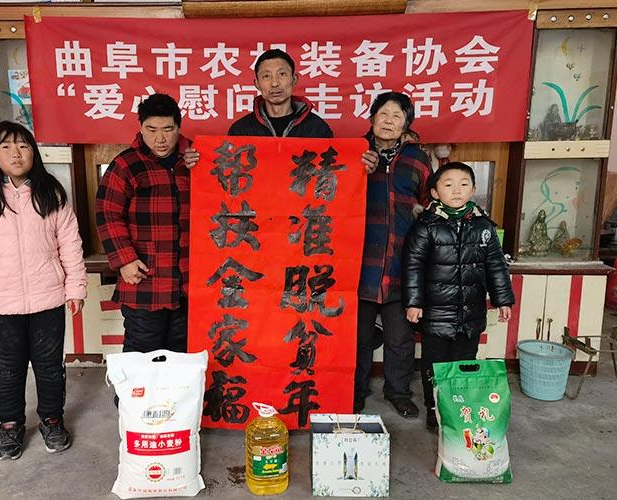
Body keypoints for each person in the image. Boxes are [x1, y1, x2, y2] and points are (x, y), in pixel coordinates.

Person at [0, 121, 87, 460]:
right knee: (7, 370)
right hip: (0, 304)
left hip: (47, 298)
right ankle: (10, 425)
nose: (16, 153)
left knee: (50, 366)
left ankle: (52, 420)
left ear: (33, 153)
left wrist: (75, 287)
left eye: (23, 146)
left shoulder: (51, 193)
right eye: (6, 146)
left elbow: (70, 244)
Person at [402, 162, 514, 430]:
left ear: (473, 190)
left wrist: (503, 299)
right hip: (436, 313)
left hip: (470, 314)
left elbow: (496, 265)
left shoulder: (484, 226)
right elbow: (413, 266)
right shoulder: (426, 226)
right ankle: (434, 408)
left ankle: (458, 409)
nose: (456, 190)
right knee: (435, 366)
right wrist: (414, 302)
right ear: (435, 193)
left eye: (463, 184)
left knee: (464, 363)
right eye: (448, 185)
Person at [354, 92, 431, 418]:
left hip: (402, 265)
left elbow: (428, 203)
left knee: (400, 338)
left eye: (397, 116)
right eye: (383, 114)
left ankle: (398, 392)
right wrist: (357, 168)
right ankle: (354, 392)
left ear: (406, 125)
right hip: (360, 264)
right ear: (372, 118)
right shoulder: (355, 153)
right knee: (357, 338)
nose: (388, 121)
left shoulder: (418, 159)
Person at [95, 93, 190, 354]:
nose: (160, 139)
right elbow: (107, 212)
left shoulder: (194, 160)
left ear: (178, 128)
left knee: (182, 356)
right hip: (145, 280)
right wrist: (124, 259)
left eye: (168, 129)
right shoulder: (126, 164)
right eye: (151, 129)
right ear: (140, 128)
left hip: (188, 282)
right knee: (141, 354)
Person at [184, 48, 378, 168]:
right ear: (257, 83)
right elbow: (228, 171)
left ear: (294, 79)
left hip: (302, 214)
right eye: (266, 76)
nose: (275, 83)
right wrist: (197, 161)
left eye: (282, 74)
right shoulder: (241, 129)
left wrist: (361, 165)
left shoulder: (317, 128)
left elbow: (331, 171)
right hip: (257, 215)